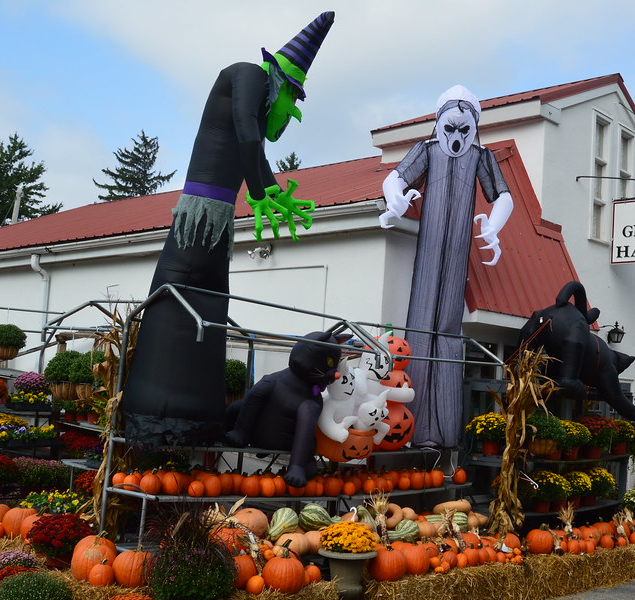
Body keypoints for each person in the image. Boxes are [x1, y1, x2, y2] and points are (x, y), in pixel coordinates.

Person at [121, 12, 334, 445]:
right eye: (292, 103)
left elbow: (252, 144)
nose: (289, 117)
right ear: (283, 85)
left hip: (215, 223)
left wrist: (268, 189)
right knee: (181, 299)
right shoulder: (248, 74)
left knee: (211, 307)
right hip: (199, 217)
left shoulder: (255, 104)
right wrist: (260, 190)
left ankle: (201, 420)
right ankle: (156, 417)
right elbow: (247, 132)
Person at [379, 85, 513, 449]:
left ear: (475, 126)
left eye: (463, 130)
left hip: (457, 256)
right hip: (429, 254)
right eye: (450, 129)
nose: (456, 138)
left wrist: (493, 227)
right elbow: (395, 177)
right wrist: (396, 201)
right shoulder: (426, 151)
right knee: (421, 328)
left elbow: (503, 195)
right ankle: (417, 430)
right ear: (438, 124)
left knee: (448, 334)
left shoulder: (482, 157)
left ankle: (444, 432)